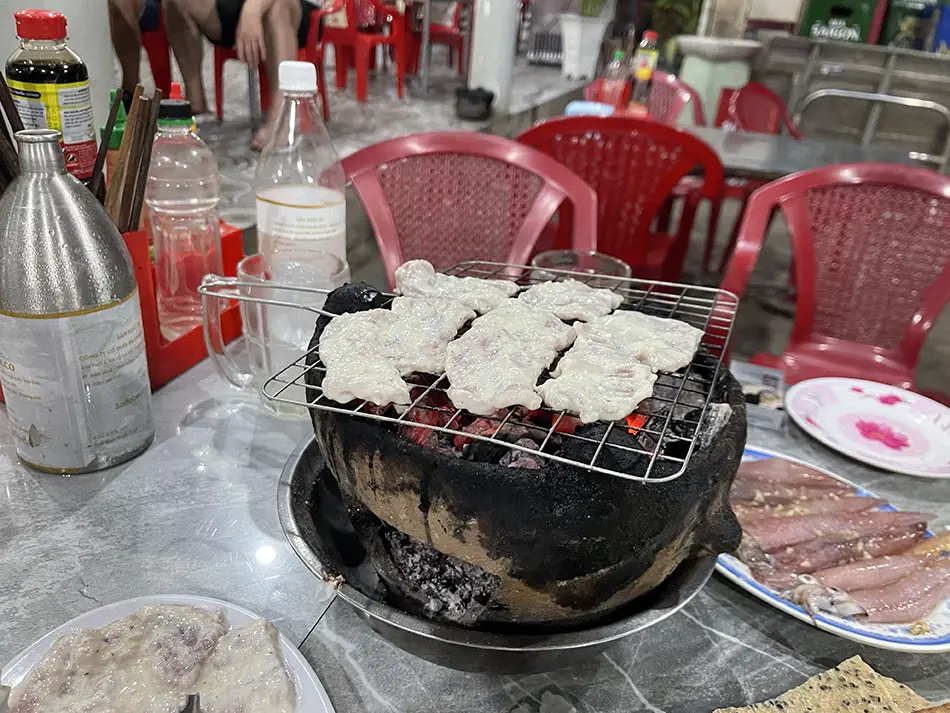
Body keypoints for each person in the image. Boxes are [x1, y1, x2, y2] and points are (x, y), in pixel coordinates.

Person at [109, 0, 320, 148]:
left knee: (278, 7)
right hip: (235, 8)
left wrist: (251, 10)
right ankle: (197, 106)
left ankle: (282, 116)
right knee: (176, 2)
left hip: (295, 10)